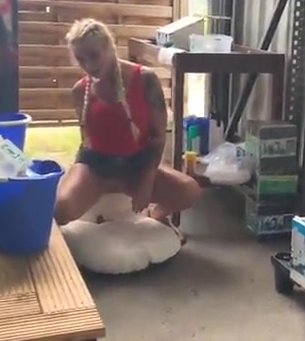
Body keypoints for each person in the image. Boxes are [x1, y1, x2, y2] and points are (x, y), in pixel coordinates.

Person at [54, 18, 200, 243]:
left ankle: (157, 216)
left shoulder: (146, 79)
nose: (89, 65)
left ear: (109, 47)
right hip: (97, 164)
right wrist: (82, 181)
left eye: (94, 55)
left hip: (137, 163)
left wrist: (146, 182)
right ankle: (101, 203)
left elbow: (158, 137)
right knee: (60, 210)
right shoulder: (80, 91)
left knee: (189, 190)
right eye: (81, 59)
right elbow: (86, 141)